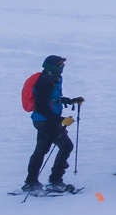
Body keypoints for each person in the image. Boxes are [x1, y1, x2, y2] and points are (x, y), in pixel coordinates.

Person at [23, 55, 81, 193]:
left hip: (43, 120)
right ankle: (54, 181)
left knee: (42, 150)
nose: (63, 68)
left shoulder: (51, 79)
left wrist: (67, 100)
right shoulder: (45, 81)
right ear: (53, 67)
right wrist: (59, 120)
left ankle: (31, 182)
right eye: (61, 65)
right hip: (46, 121)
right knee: (66, 146)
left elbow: (50, 99)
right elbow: (42, 105)